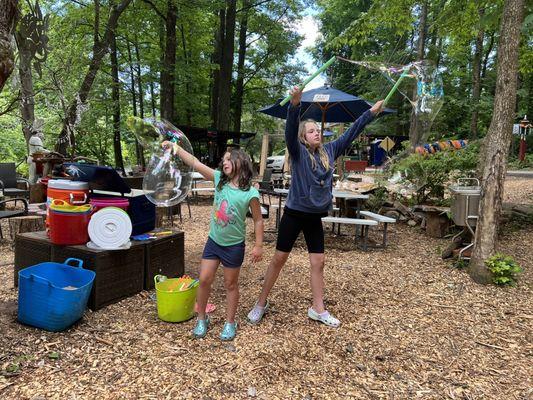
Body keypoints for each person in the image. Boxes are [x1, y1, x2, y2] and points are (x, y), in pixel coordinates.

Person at [247, 86, 384, 328]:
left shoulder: (330, 151)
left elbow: (352, 133)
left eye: (317, 129)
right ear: (303, 137)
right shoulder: (298, 151)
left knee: (319, 261)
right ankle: (260, 303)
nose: (316, 132)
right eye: (311, 131)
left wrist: (370, 114)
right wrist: (295, 105)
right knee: (279, 259)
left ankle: (318, 309)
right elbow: (290, 129)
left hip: (314, 216)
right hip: (294, 213)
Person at [166, 142, 264, 340]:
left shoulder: (250, 193)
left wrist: (259, 245)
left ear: (241, 162)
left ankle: (230, 322)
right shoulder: (219, 179)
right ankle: (202, 318)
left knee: (230, 284)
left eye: (229, 159)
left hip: (234, 246)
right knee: (204, 279)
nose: (224, 162)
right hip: (214, 242)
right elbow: (194, 162)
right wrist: (175, 148)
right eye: (223, 160)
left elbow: (258, 219)